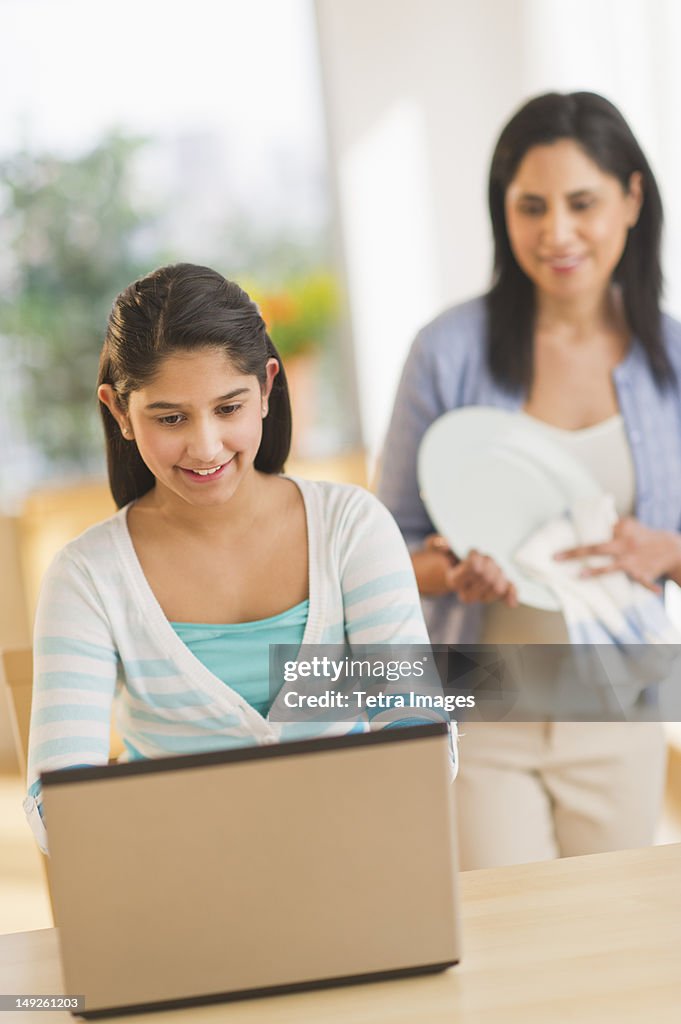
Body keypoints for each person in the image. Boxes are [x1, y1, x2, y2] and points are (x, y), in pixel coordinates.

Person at [25, 263, 448, 853]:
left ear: (267, 387)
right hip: (180, 887)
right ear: (120, 412)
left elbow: (417, 724)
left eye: (229, 408)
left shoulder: (351, 528)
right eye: (170, 418)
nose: (205, 446)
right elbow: (57, 802)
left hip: (360, 860)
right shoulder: (88, 576)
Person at [378, 92, 681, 869]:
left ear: (631, 199)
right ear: (501, 212)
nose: (556, 234)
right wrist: (448, 571)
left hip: (621, 710)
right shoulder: (445, 353)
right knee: (507, 954)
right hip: (482, 709)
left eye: (581, 203)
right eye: (529, 206)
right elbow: (380, 555)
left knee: (608, 952)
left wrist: (667, 551)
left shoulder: (672, 362)